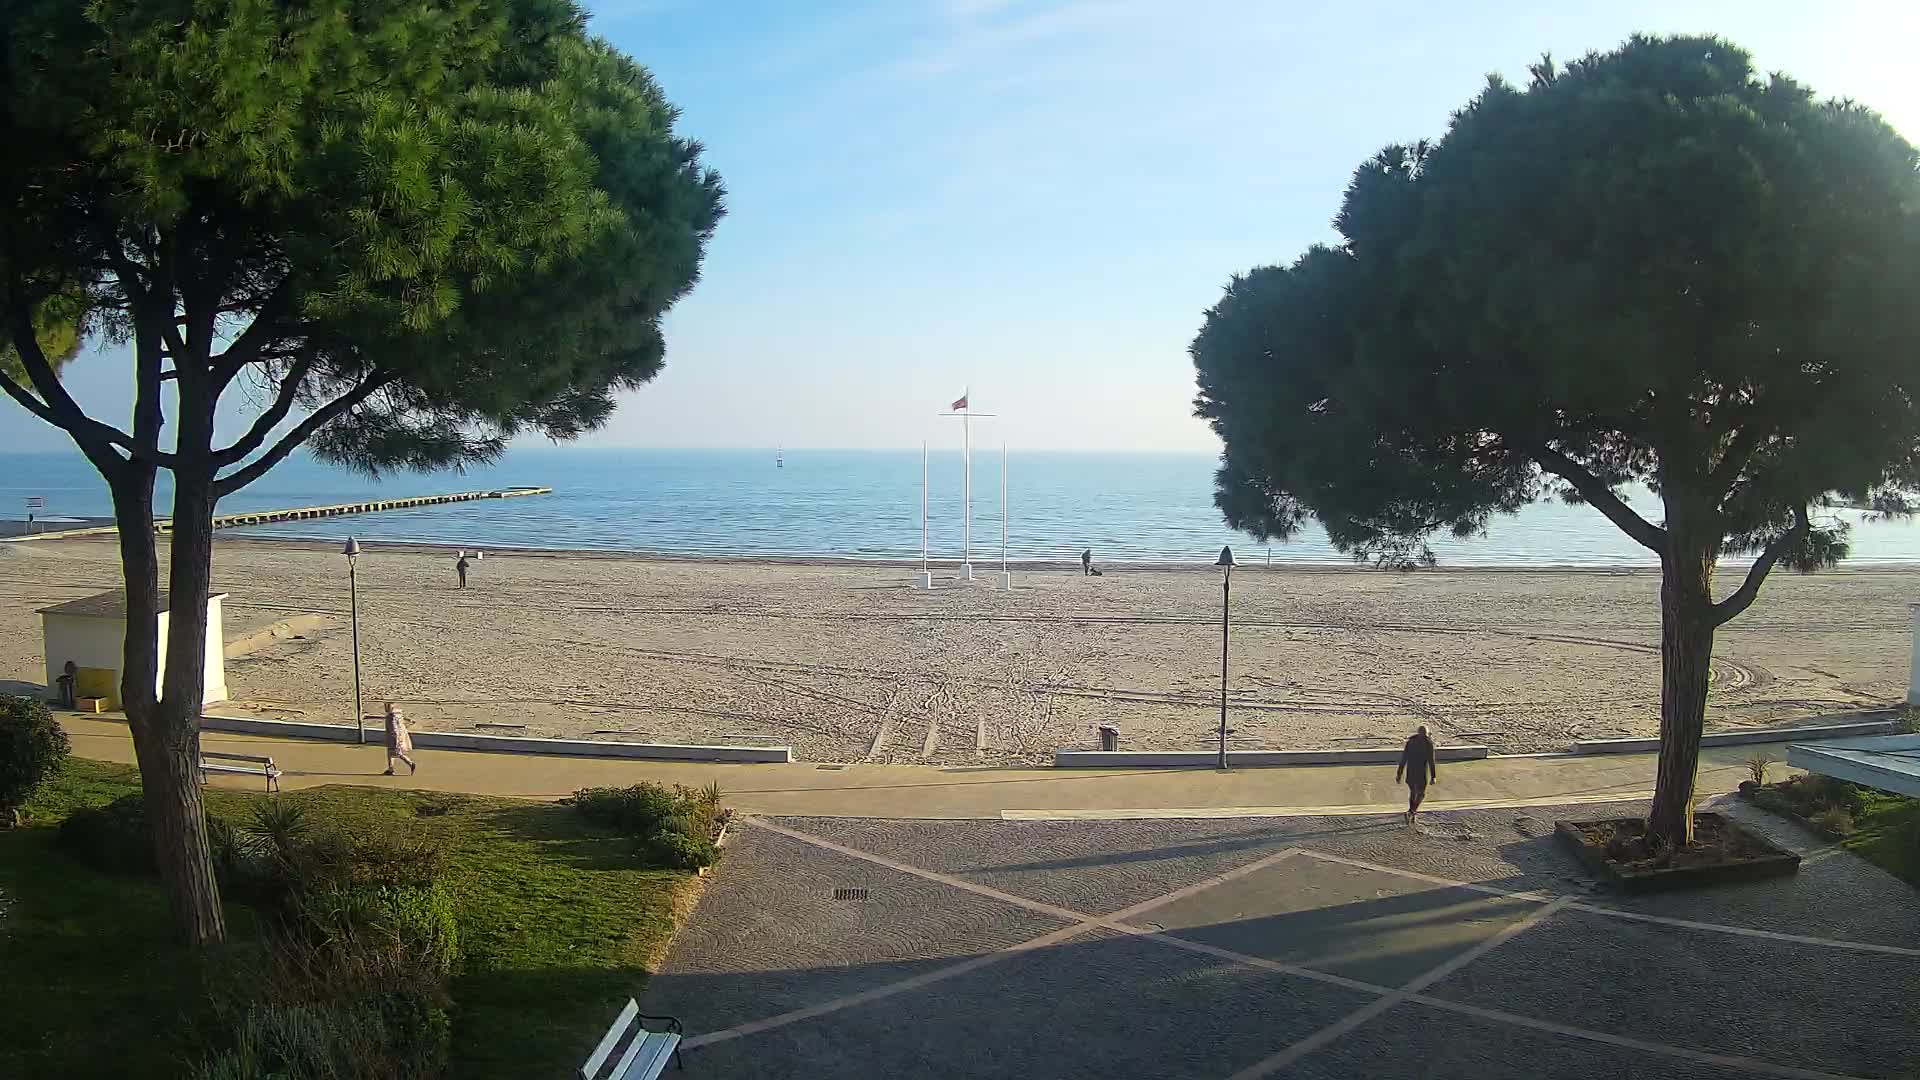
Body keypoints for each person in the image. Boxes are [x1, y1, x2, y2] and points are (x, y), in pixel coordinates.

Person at [1395, 724, 1437, 826]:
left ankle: (1411, 812)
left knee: (1413, 793)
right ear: (1426, 734)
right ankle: (1412, 811)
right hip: (1421, 773)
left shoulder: (1410, 742)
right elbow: (1431, 761)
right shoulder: (1428, 744)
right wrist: (1433, 776)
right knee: (1421, 794)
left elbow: (1403, 759)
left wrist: (1399, 774)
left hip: (1410, 772)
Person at [383, 701, 417, 775]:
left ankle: (410, 763)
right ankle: (390, 768)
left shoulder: (391, 717)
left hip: (393, 737)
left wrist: (395, 739)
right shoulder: (396, 715)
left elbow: (394, 729)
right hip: (396, 737)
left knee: (398, 753)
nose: (385, 708)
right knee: (390, 753)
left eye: (387, 706)